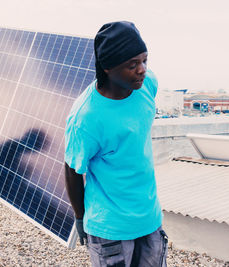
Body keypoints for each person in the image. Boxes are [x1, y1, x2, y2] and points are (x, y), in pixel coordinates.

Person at [64, 21, 168, 267]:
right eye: (132, 65)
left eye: (144, 60)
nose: (142, 70)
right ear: (108, 68)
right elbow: (72, 169)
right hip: (109, 226)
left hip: (149, 218)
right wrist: (80, 218)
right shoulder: (86, 118)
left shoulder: (146, 85)